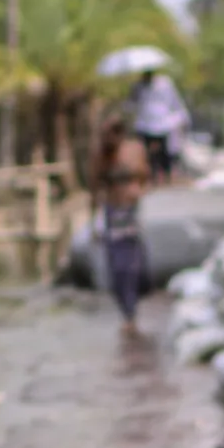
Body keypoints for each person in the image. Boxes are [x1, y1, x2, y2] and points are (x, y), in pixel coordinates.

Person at [92, 123, 151, 331]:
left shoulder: (133, 151)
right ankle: (129, 315)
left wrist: (137, 189)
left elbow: (144, 175)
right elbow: (95, 184)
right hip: (112, 215)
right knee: (119, 268)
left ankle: (133, 306)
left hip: (130, 213)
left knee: (136, 267)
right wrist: (95, 220)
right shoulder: (103, 155)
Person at [131, 70, 190, 182]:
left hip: (162, 124)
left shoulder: (165, 83)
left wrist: (181, 116)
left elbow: (174, 101)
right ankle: (148, 175)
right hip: (144, 124)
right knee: (144, 153)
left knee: (164, 152)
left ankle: (165, 175)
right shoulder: (138, 87)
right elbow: (132, 103)